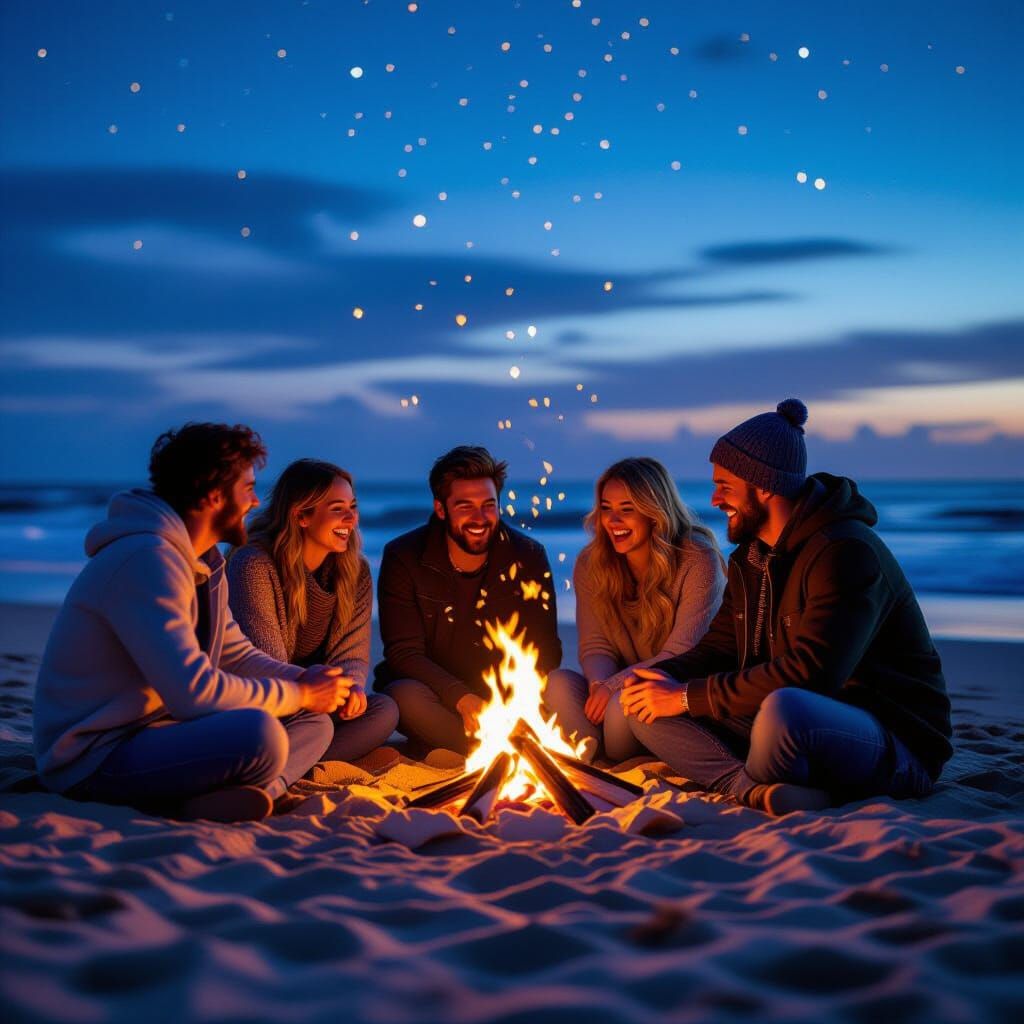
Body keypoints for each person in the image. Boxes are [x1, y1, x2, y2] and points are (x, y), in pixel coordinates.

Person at [618, 399, 953, 815]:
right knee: (644, 708)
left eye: (725, 485)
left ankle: (767, 779)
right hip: (781, 719)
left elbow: (811, 674)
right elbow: (719, 648)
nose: (715, 498)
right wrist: (659, 679)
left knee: (786, 709)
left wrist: (686, 698)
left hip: (887, 739)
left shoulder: (844, 552)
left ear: (764, 486)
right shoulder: (751, 558)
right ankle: (752, 787)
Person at [33, 423, 351, 823]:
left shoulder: (204, 562)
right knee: (259, 734)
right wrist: (299, 694)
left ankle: (253, 794)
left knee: (315, 721)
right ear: (215, 496)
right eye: (248, 488)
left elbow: (236, 654)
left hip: (159, 730)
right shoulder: (145, 560)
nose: (255, 502)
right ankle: (211, 799)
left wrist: (305, 683)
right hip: (95, 754)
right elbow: (194, 693)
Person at [374, 445, 562, 756]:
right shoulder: (404, 557)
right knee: (402, 698)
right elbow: (404, 653)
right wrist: (460, 697)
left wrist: (511, 700)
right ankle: (503, 750)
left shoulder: (528, 555)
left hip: (504, 695)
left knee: (561, 686)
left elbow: (546, 647)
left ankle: (489, 746)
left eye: (489, 505)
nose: (480, 518)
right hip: (438, 694)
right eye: (465, 506)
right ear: (441, 509)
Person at [543, 458, 726, 764]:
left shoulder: (698, 559)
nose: (613, 521)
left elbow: (683, 651)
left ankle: (612, 758)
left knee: (620, 704)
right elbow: (595, 645)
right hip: (618, 691)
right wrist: (599, 684)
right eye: (606, 508)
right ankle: (588, 761)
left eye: (627, 510)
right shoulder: (591, 563)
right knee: (558, 683)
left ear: (654, 512)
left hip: (674, 690)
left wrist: (613, 687)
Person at [228, 460, 399, 772]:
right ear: (301, 516)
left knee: (384, 710)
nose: (352, 518)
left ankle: (301, 761)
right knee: (317, 722)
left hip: (320, 702)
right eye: (338, 509)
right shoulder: (253, 565)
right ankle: (293, 759)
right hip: (269, 702)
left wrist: (352, 690)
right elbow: (265, 662)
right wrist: (314, 691)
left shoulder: (355, 572)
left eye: (353, 506)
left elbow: (351, 656)